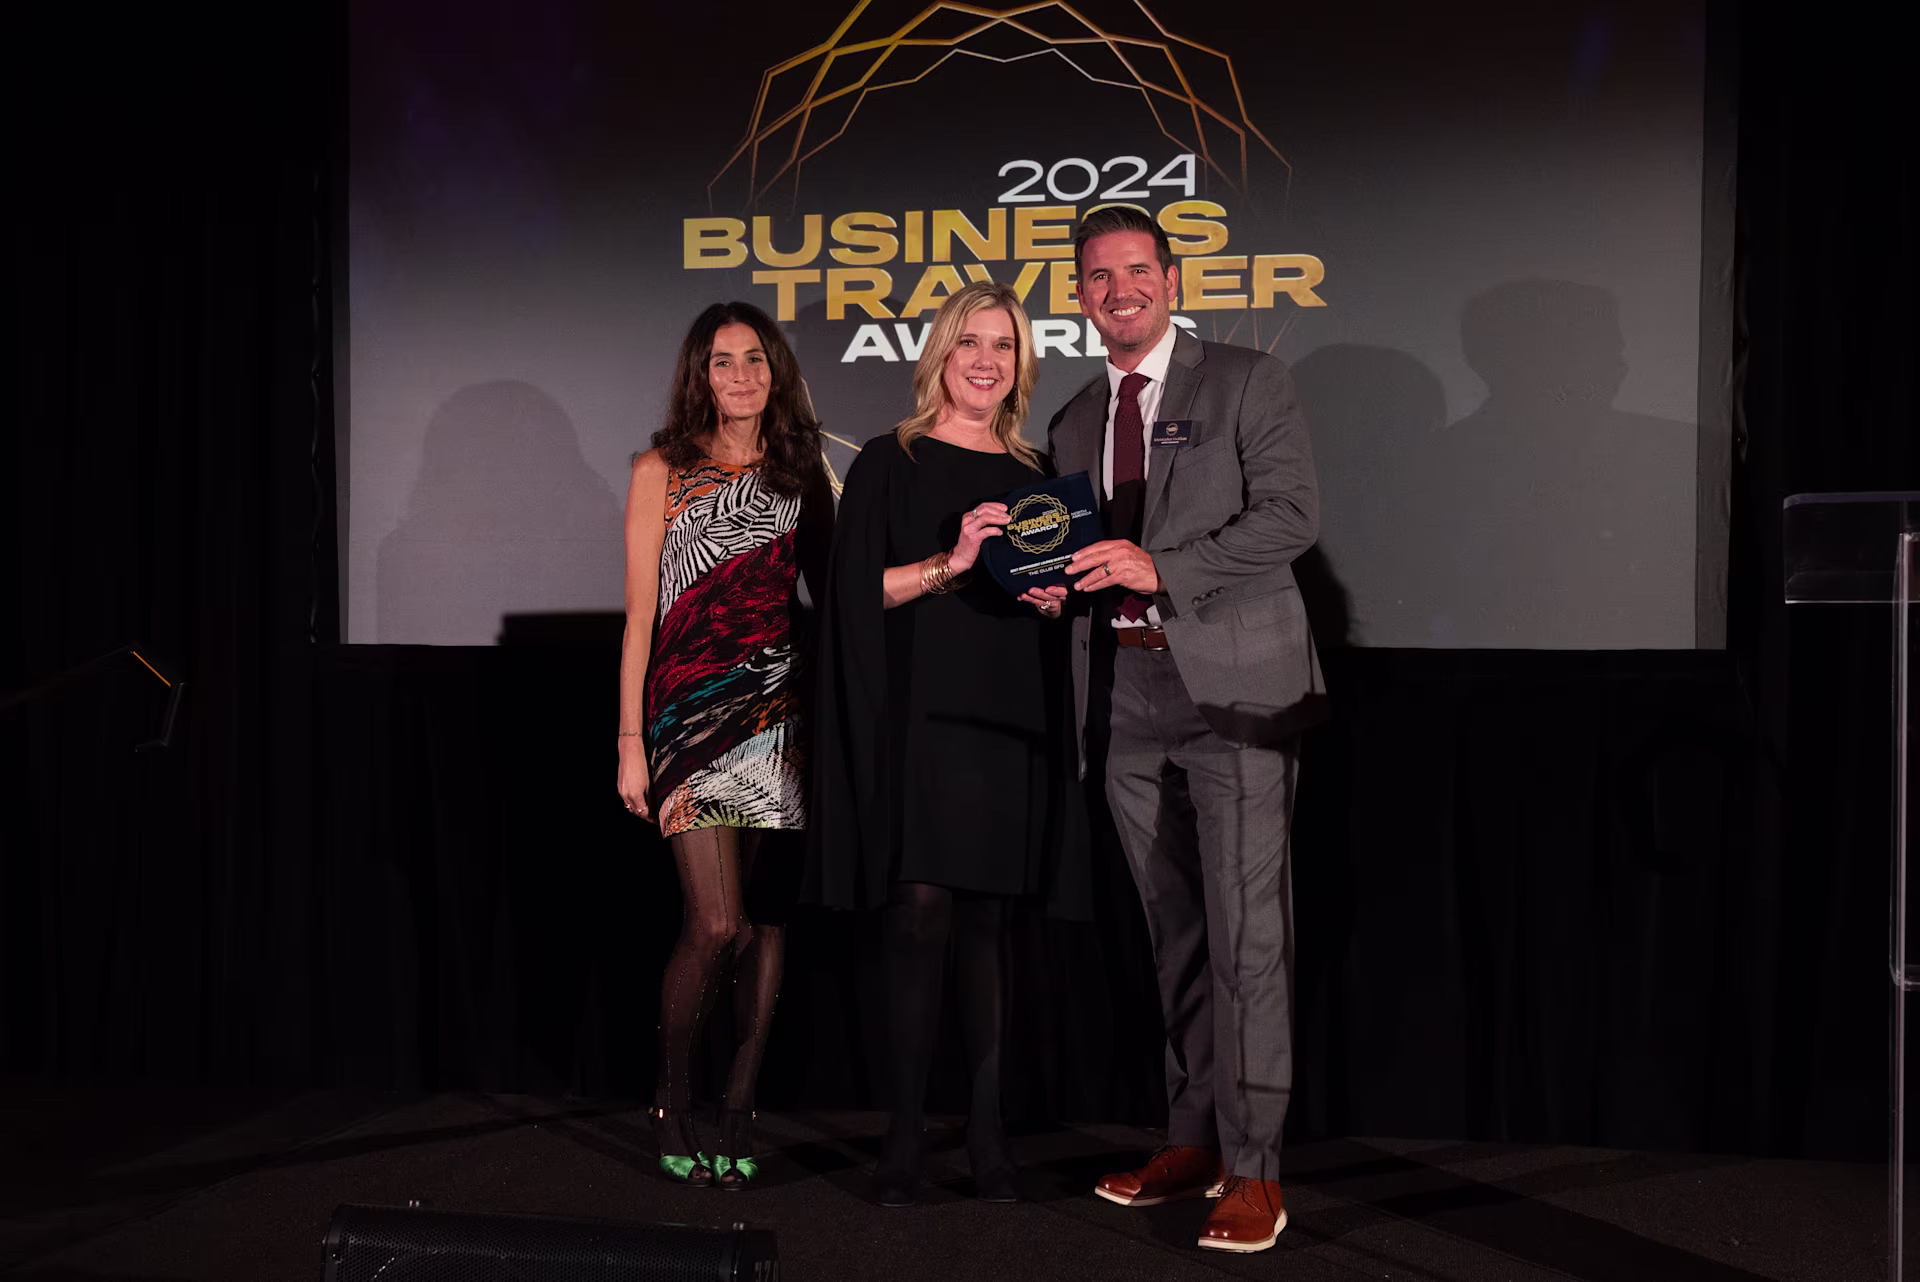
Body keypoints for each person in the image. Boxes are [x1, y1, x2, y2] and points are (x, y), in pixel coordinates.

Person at [1037, 206, 1326, 1253]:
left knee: (1250, 937)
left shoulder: (1245, 379)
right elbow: (1080, 560)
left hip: (1234, 695)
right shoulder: (1070, 421)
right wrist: (1048, 587)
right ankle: (1194, 1137)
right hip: (1123, 703)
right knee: (1177, 937)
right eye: (1097, 276)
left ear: (1168, 277)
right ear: (1078, 296)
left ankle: (1256, 1170)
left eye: (1135, 269)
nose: (1118, 288)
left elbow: (1292, 516)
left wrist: (1170, 570)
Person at [807, 281, 1082, 1207]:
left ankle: (991, 1139)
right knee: (919, 918)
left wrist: (1055, 600)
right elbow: (853, 596)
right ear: (939, 356)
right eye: (970, 341)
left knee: (990, 931)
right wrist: (952, 564)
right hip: (919, 714)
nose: (986, 360)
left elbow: (1054, 594)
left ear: (1020, 365)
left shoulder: (1041, 471)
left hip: (1010, 717)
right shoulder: (892, 459)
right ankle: (904, 1139)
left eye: (1003, 345)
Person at [617, 301, 832, 1190]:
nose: (739, 376)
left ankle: (738, 1106)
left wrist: (949, 568)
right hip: (683, 715)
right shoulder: (660, 468)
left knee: (768, 924)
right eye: (720, 362)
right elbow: (640, 615)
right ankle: (672, 1096)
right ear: (697, 374)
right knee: (717, 925)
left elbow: (842, 594)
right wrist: (630, 740)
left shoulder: (801, 471)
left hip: (776, 715)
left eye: (753, 359)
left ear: (774, 369)